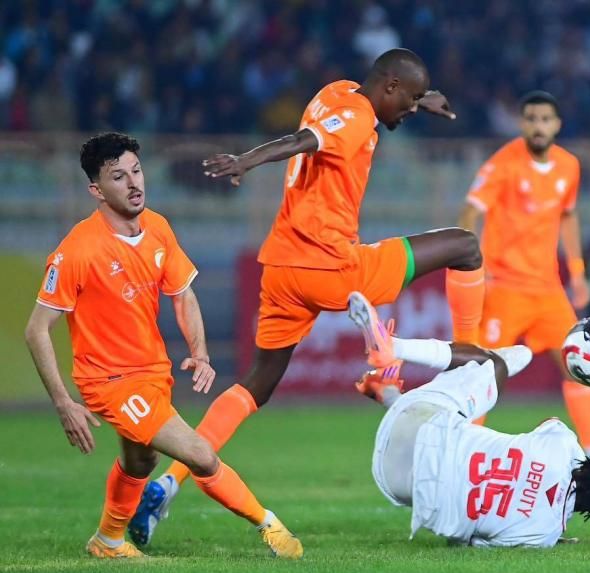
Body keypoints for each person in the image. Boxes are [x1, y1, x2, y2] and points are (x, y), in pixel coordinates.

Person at [130, 48, 487, 545]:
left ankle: (168, 483)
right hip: (333, 268)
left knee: (257, 383)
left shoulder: (335, 92)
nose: (410, 109)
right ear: (388, 87)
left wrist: (420, 99)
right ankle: (462, 366)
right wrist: (246, 160)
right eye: (407, 99)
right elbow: (306, 140)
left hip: (282, 267)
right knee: (465, 246)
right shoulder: (357, 118)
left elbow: (339, 121)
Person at [24, 132, 302, 559]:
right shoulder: (77, 250)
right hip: (110, 381)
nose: (133, 183)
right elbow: (36, 329)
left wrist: (200, 351)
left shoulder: (157, 228)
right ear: (97, 190)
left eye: (136, 171)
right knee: (200, 455)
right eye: (118, 177)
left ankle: (108, 541)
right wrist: (64, 403)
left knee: (141, 462)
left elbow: (183, 293)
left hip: (152, 370)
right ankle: (272, 528)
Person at [347, 291, 590, 547]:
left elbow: (550, 426)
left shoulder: (563, 445)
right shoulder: (541, 535)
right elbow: (474, 543)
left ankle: (394, 348)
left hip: (416, 426)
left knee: (500, 363)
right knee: (454, 483)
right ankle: (388, 395)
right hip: (396, 482)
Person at [457, 91, 590, 456]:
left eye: (545, 119)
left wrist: (576, 272)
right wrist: (473, 268)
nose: (538, 126)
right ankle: (459, 453)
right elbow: (470, 211)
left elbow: (568, 216)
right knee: (485, 373)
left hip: (548, 290)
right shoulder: (503, 163)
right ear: (522, 123)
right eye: (531, 119)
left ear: (557, 125)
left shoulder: (568, 166)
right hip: (504, 287)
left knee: (577, 367)